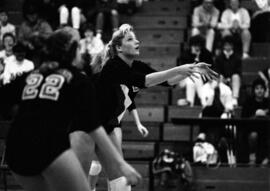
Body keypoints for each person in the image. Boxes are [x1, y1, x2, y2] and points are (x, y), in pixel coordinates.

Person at [0, 27, 141, 191]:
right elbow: (94, 126)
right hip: (48, 145)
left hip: (16, 150)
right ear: (73, 50)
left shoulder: (31, 74)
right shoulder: (78, 80)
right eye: (79, 48)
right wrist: (121, 164)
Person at [87, 23, 218, 191]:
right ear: (119, 47)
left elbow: (166, 81)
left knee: (120, 180)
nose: (137, 42)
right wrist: (180, 68)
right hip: (88, 124)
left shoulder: (137, 66)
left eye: (135, 38)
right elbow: (146, 81)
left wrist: (193, 69)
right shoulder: (113, 66)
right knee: (91, 171)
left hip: (110, 124)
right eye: (130, 39)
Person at [177, 35, 214, 106]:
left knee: (195, 77)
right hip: (187, 77)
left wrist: (198, 57)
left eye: (199, 46)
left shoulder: (206, 53)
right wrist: (195, 57)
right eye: (195, 45)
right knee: (192, 79)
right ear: (192, 45)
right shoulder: (185, 54)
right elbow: (183, 68)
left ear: (201, 46)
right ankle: (203, 102)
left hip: (203, 78)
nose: (197, 47)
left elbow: (211, 67)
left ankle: (190, 102)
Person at [241, 78, 270, 165]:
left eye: (261, 88)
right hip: (252, 130)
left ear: (265, 90)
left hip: (266, 131)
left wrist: (265, 115)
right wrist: (256, 115)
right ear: (254, 90)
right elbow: (243, 120)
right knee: (253, 135)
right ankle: (252, 155)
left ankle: (267, 158)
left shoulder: (268, 102)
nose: (259, 91)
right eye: (257, 88)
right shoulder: (248, 102)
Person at [213, 35, 241, 106]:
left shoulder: (237, 58)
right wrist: (222, 77)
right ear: (223, 46)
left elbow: (238, 70)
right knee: (217, 77)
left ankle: (235, 98)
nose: (228, 47)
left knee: (236, 76)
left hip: (232, 81)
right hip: (222, 80)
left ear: (232, 46)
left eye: (230, 45)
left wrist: (229, 79)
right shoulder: (219, 58)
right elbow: (217, 70)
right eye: (226, 45)